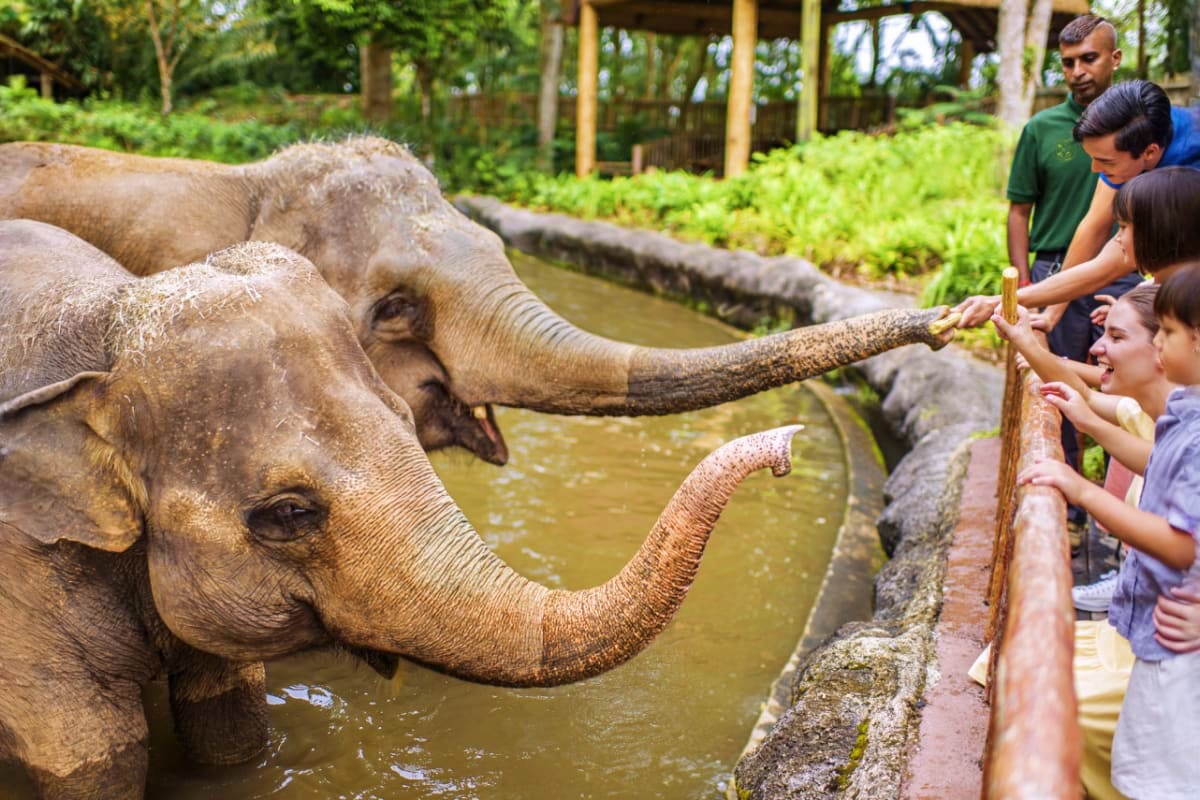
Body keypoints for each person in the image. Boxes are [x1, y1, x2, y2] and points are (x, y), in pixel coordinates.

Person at [1019, 265, 1200, 799]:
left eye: (1165, 332)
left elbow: (1181, 541)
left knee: (1159, 781)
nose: (1159, 346)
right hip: (1159, 633)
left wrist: (1081, 490)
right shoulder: (1184, 411)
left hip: (1176, 644)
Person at [1004, 15, 1130, 495]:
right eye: (1068, 63)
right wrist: (1025, 283)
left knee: (1123, 377)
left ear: (1114, 59)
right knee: (1052, 381)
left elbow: (1105, 222)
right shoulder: (1041, 128)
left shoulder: (1138, 125)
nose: (1078, 71)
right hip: (1054, 265)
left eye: (1089, 59)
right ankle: (1067, 503)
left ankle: (1120, 491)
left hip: (1122, 267)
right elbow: (1019, 211)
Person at [957, 85, 1200, 329]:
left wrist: (1002, 302)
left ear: (1150, 153)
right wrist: (1052, 313)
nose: (1095, 169)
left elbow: (1111, 265)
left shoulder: (1189, 169)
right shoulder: (1132, 141)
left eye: (1105, 161)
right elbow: (1093, 227)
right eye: (1092, 158)